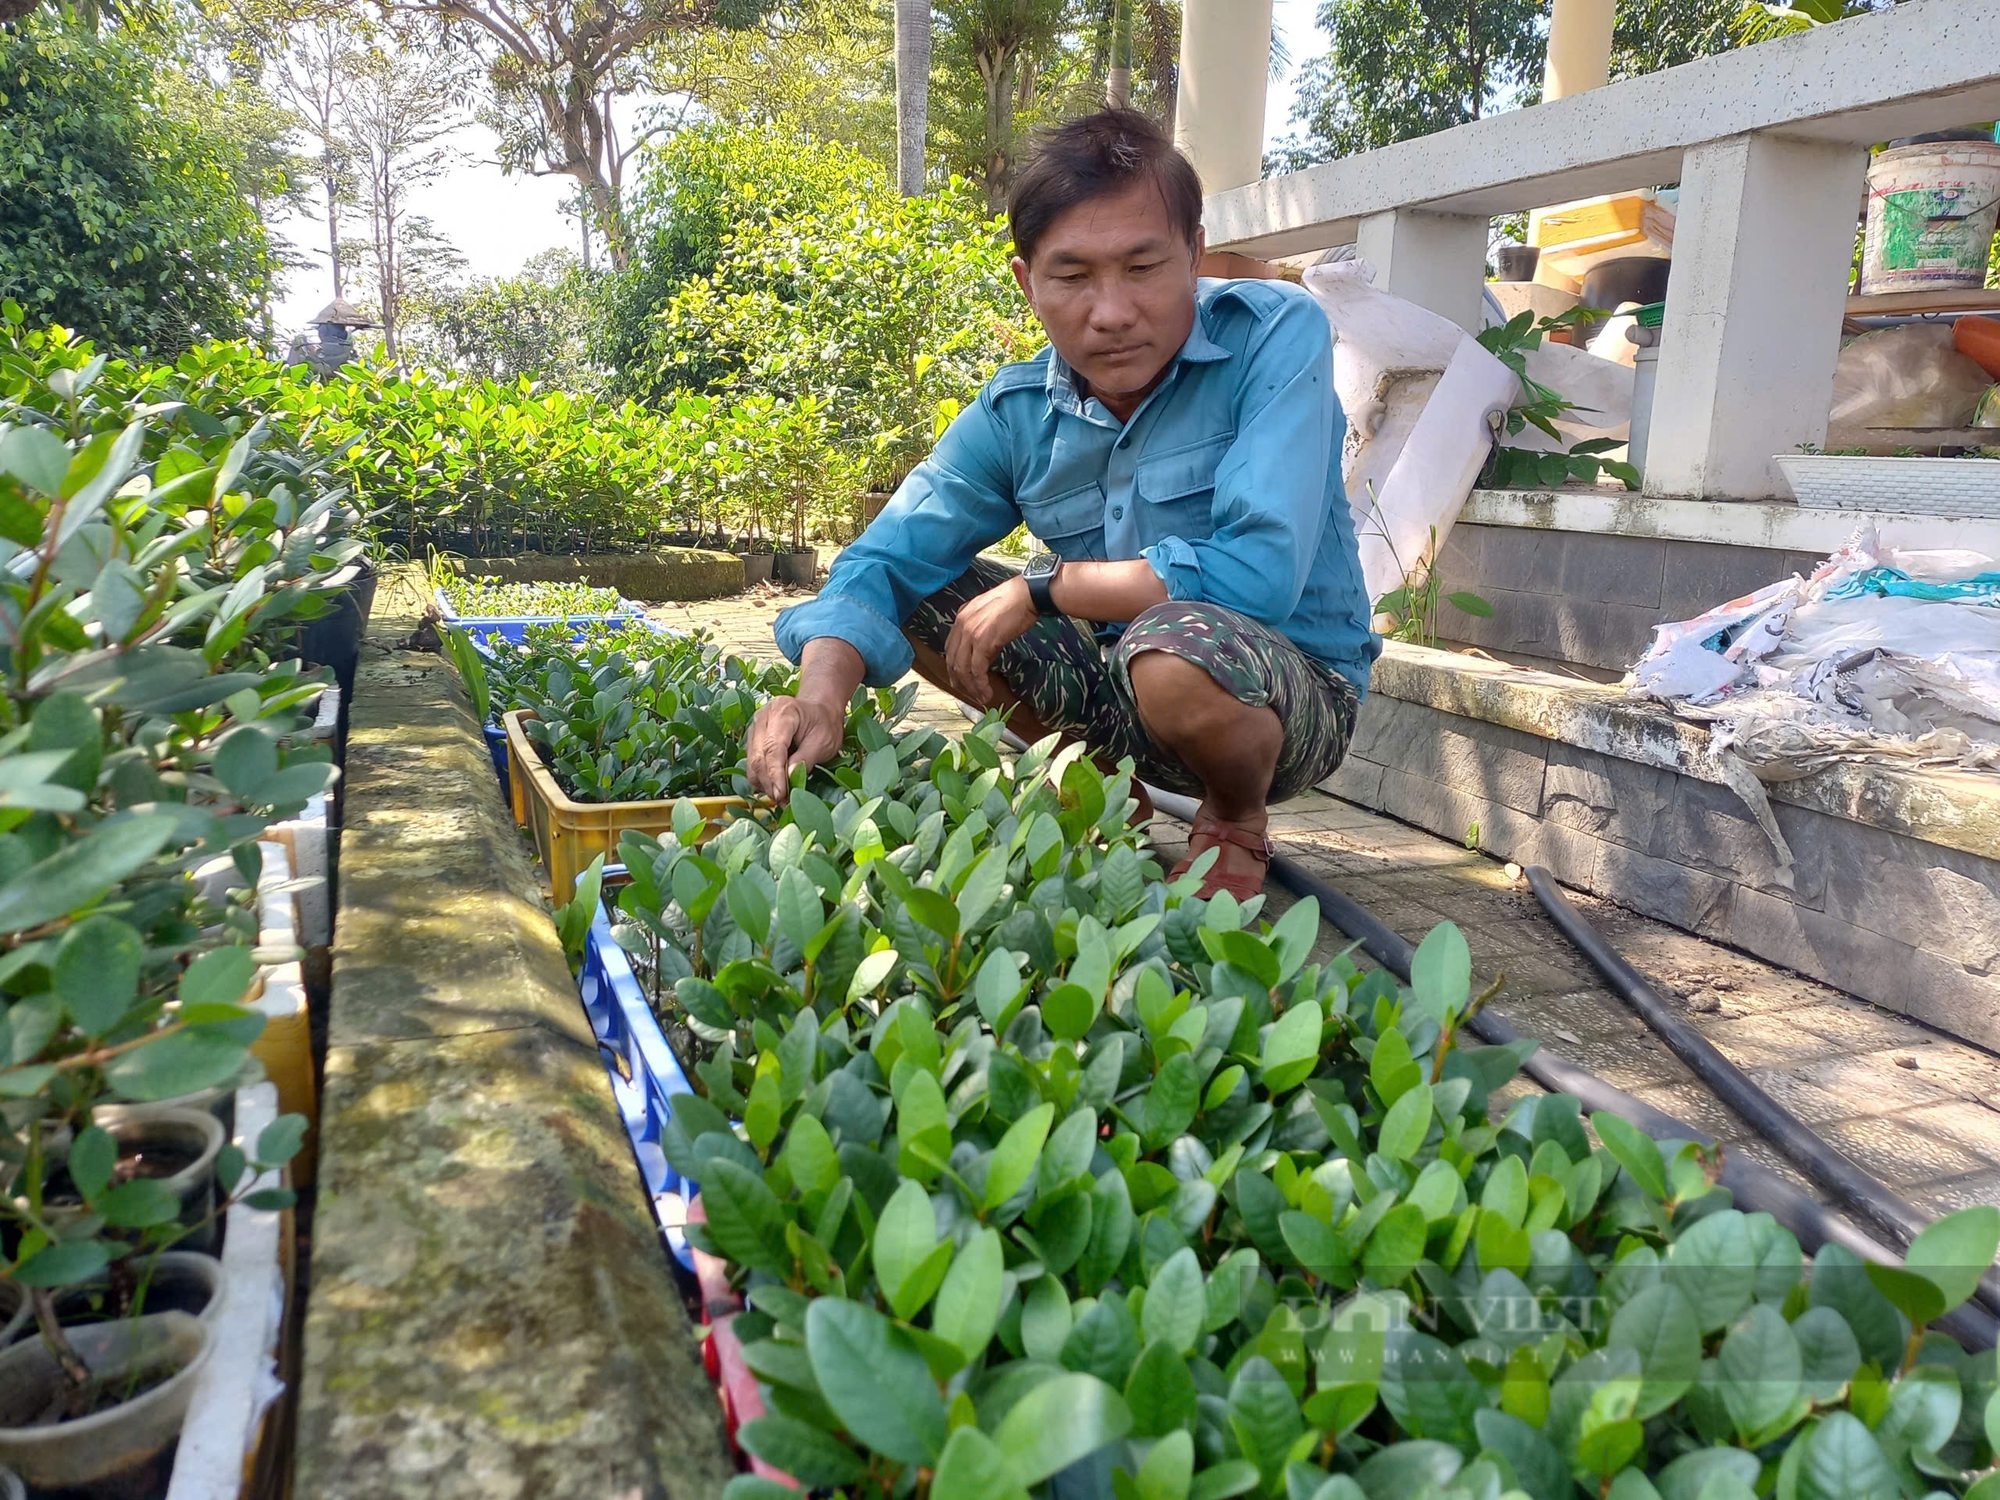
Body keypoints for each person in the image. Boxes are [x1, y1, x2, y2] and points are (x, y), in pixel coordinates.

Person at [745, 108, 1379, 899]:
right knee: (926, 589)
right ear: (1027, 281)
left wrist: (1047, 586)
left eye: (1143, 268)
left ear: (1193, 255)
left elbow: (1259, 573)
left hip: (1285, 698)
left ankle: (1231, 822)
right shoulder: (1016, 413)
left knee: (1172, 646)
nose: (1110, 312)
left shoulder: (1272, 337)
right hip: (1125, 684)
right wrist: (818, 698)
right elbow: (881, 558)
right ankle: (1107, 791)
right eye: (1072, 277)